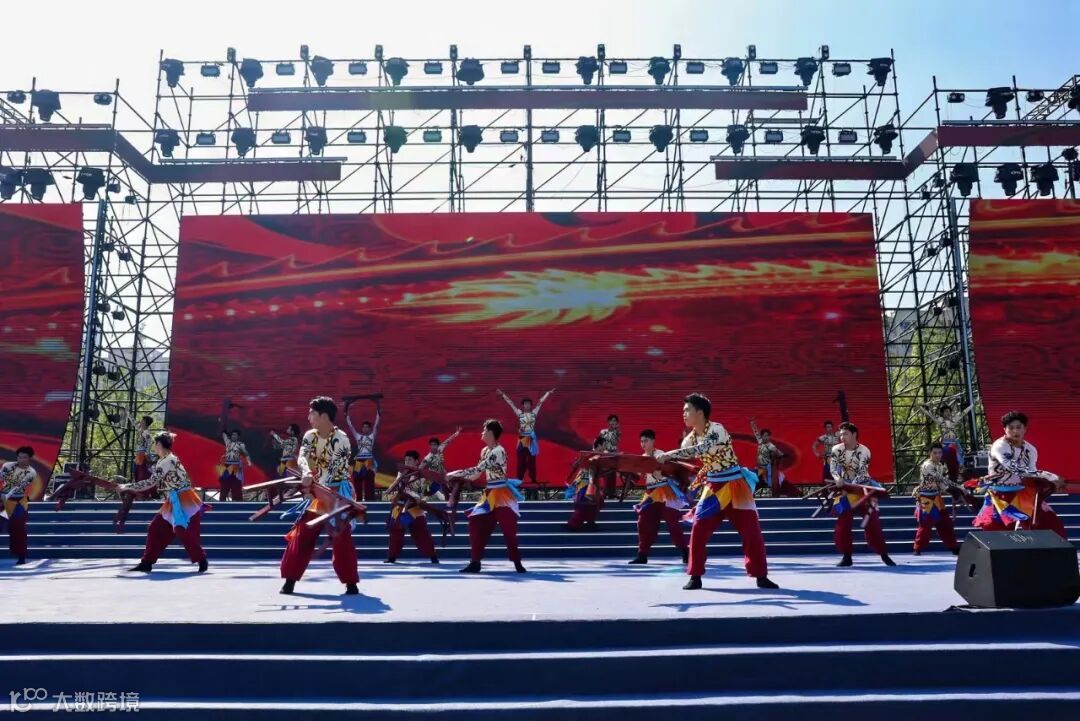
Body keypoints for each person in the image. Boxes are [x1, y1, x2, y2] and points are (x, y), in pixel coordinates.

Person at [657, 393, 778, 591]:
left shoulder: (717, 428)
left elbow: (704, 448)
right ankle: (695, 575)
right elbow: (684, 459)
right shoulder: (688, 440)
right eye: (683, 411)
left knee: (751, 531)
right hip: (712, 488)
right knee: (698, 530)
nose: (684, 414)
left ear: (700, 412)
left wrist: (668, 455)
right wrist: (659, 466)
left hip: (735, 484)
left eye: (687, 410)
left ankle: (761, 575)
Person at [279, 396, 360, 596]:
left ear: (324, 416)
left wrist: (315, 485)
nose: (309, 417)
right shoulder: (309, 435)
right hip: (318, 490)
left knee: (341, 536)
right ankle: (290, 580)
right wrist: (307, 473)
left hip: (338, 492)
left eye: (312, 413)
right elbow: (302, 457)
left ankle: (350, 582)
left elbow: (336, 468)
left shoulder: (341, 438)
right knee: (303, 533)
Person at [120, 432, 209, 574]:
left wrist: (127, 486)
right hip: (175, 499)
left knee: (182, 530)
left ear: (159, 444)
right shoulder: (169, 459)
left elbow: (151, 482)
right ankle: (147, 562)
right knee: (156, 528)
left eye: (155, 444)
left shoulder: (167, 461)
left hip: (183, 499)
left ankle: (201, 559)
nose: (154, 447)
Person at [448, 419, 526, 574]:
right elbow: (476, 474)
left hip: (502, 493)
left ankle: (517, 562)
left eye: (484, 430)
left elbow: (479, 468)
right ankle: (475, 562)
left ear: (491, 433)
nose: (482, 433)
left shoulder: (498, 451)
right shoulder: (484, 451)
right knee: (476, 522)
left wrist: (455, 474)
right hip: (489, 494)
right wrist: (459, 479)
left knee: (509, 530)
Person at [973, 411, 1066, 538]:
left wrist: (1053, 481)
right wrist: (1052, 476)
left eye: (1018, 427)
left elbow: (1031, 473)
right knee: (994, 534)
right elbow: (1015, 468)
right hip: (1000, 495)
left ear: (1025, 429)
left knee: (1051, 524)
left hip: (1023, 494)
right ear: (1004, 429)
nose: (1015, 431)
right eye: (1011, 428)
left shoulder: (1030, 449)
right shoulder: (999, 446)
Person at [828, 422, 896, 567]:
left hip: (863, 488)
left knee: (873, 524)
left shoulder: (864, 451)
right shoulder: (836, 449)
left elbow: (862, 472)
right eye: (841, 434)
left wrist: (851, 485)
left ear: (854, 434)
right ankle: (847, 556)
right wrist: (838, 479)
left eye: (846, 434)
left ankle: (884, 555)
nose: (842, 437)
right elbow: (833, 469)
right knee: (843, 524)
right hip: (845, 490)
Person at [629, 429, 689, 565]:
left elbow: (671, 472)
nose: (643, 444)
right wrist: (629, 473)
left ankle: (686, 552)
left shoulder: (661, 455)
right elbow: (638, 476)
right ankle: (642, 554)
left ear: (653, 441)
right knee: (643, 522)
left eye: (646, 441)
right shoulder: (643, 457)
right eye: (641, 441)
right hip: (651, 493)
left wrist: (660, 474)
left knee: (673, 524)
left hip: (665, 491)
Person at [385, 450, 441, 564]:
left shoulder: (422, 475)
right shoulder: (401, 473)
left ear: (416, 461)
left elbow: (425, 491)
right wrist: (392, 490)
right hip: (400, 506)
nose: (407, 462)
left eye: (410, 460)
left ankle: (433, 556)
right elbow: (395, 486)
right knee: (396, 532)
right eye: (406, 459)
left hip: (415, 507)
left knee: (421, 533)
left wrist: (416, 496)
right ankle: (392, 557)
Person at [497, 388, 555, 486]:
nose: (526, 405)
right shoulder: (520, 414)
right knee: (521, 460)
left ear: (530, 405)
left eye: (528, 404)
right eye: (525, 404)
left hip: (531, 439)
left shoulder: (534, 413)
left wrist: (547, 393)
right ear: (523, 405)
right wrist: (503, 395)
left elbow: (540, 402)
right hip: (523, 439)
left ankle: (533, 479)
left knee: (532, 460)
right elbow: (511, 404)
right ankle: (519, 479)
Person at [912, 443, 961, 555]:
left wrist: (952, 491)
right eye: (935, 453)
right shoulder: (927, 465)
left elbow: (941, 484)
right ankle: (917, 548)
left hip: (937, 497)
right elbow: (941, 479)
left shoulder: (940, 465)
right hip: (926, 497)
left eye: (940, 452)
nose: (938, 455)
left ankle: (953, 547)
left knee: (946, 523)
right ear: (930, 453)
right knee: (925, 524)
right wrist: (957, 488)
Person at [1, 446, 43, 565]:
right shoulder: (7, 466)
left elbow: (18, 487)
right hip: (4, 501)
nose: (21, 459)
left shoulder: (31, 472)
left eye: (24, 457)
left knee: (19, 530)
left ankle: (21, 556)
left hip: (19, 502)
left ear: (29, 458)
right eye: (19, 457)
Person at [918, 401, 974, 482]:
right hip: (944, 443)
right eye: (946, 412)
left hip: (953, 442)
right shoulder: (940, 421)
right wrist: (923, 408)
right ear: (942, 413)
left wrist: (972, 405)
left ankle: (959, 473)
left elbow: (964, 413)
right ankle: (938, 472)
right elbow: (931, 415)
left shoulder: (954, 420)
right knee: (938, 456)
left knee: (959, 456)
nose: (948, 413)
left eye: (949, 411)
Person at [750, 418, 800, 497]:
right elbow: (756, 433)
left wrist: (783, 455)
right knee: (754, 480)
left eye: (767, 436)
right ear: (762, 436)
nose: (766, 437)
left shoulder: (771, 446)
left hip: (768, 469)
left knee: (775, 481)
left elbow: (778, 452)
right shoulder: (760, 442)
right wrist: (753, 424)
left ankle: (789, 493)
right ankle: (750, 494)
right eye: (764, 436)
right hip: (760, 468)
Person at [565, 436, 605, 531]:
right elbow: (590, 470)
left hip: (591, 482)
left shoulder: (597, 455)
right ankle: (573, 524)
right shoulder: (592, 456)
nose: (605, 447)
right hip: (586, 482)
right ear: (599, 445)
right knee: (584, 503)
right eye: (604, 445)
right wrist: (591, 483)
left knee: (597, 502)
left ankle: (590, 521)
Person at [346, 400, 380, 501]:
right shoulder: (358, 436)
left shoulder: (372, 436)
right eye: (364, 427)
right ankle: (358, 499)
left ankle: (370, 500)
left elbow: (376, 425)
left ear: (369, 429)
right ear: (362, 428)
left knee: (369, 480)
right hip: (359, 460)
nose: (365, 428)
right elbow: (350, 426)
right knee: (357, 480)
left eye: (367, 427)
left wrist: (378, 412)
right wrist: (346, 415)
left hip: (368, 459)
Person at [421, 427, 462, 499]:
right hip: (434, 477)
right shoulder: (428, 457)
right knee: (429, 491)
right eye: (432, 445)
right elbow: (420, 467)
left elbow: (448, 441)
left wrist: (456, 433)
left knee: (452, 479)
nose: (433, 446)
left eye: (435, 445)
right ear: (430, 446)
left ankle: (450, 497)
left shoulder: (440, 449)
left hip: (442, 474)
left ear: (438, 445)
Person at [268, 423, 301, 503]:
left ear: (292, 431)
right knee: (280, 479)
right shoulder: (290, 440)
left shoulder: (293, 439)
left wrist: (274, 434)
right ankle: (280, 496)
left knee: (286, 480)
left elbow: (282, 442)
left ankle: (285, 496)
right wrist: (273, 438)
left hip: (289, 461)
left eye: (289, 428)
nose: (287, 430)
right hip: (284, 461)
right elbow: (278, 446)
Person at [218, 429, 251, 501]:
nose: (233, 436)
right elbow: (224, 434)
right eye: (232, 435)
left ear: (238, 436)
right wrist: (223, 426)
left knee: (236, 484)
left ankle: (237, 500)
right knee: (224, 484)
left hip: (236, 465)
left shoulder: (241, 445)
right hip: (227, 465)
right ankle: (222, 500)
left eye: (235, 435)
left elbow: (246, 454)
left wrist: (249, 462)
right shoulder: (228, 442)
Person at [597, 414, 622, 498]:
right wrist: (603, 451)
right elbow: (599, 443)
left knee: (613, 473)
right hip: (605, 454)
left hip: (614, 454)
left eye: (615, 421)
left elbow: (616, 442)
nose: (613, 422)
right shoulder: (603, 431)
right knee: (606, 473)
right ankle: (605, 492)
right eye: (612, 420)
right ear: (608, 422)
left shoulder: (617, 432)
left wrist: (616, 431)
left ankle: (612, 493)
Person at [131, 415, 156, 483]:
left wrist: (147, 452)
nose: (140, 421)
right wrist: (127, 412)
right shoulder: (141, 430)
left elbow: (150, 441)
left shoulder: (145, 432)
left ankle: (142, 485)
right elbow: (134, 423)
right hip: (139, 453)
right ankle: (139, 484)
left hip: (142, 454)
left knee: (141, 472)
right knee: (137, 471)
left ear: (145, 422)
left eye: (142, 420)